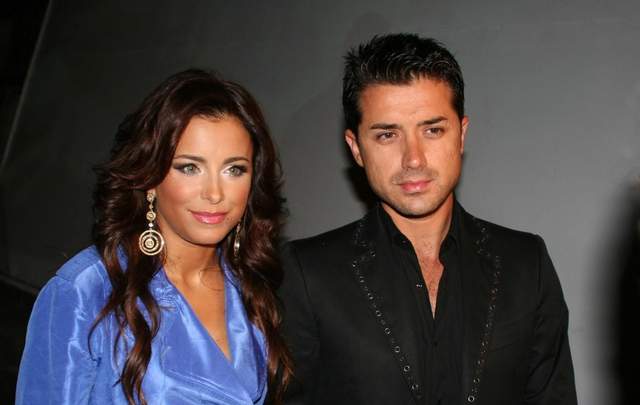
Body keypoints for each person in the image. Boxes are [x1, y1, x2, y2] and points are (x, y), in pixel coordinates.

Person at [279, 34, 577, 405]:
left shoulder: (526, 264)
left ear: (461, 135)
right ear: (356, 148)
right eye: (387, 135)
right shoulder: (308, 274)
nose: (414, 158)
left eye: (432, 130)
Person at [16, 69, 292, 404]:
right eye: (189, 167)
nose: (215, 193)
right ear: (150, 176)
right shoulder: (86, 291)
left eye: (234, 169)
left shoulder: (248, 284)